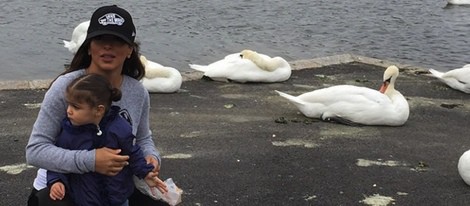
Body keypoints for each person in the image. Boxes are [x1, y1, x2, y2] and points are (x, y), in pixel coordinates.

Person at [26, 5, 169, 206]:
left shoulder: (138, 92)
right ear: (89, 47)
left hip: (113, 189)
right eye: (101, 39)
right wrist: (92, 161)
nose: (108, 47)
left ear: (130, 50)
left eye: (118, 40)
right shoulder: (65, 87)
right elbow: (35, 151)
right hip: (63, 187)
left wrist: (151, 158)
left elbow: (143, 139)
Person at [47, 73, 166, 206]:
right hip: (86, 199)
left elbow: (132, 153)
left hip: (118, 197)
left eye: (76, 107)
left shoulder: (119, 128)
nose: (68, 111)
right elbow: (58, 161)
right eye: (69, 105)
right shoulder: (69, 132)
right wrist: (56, 181)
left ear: (99, 110)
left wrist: (145, 173)